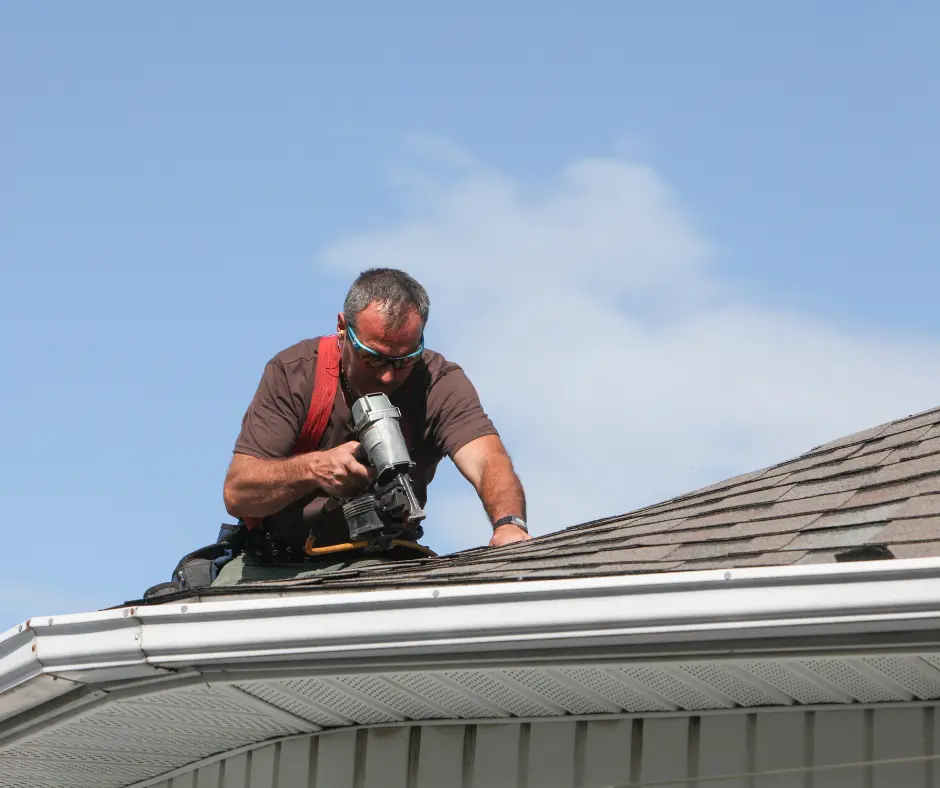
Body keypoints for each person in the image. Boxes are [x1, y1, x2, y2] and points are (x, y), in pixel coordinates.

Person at [215, 268, 530, 585]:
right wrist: (313, 469)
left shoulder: (439, 383)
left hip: (382, 561)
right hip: (276, 564)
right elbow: (238, 493)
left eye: (405, 360)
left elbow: (488, 459)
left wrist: (509, 523)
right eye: (373, 358)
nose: (389, 376)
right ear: (342, 329)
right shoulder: (294, 374)